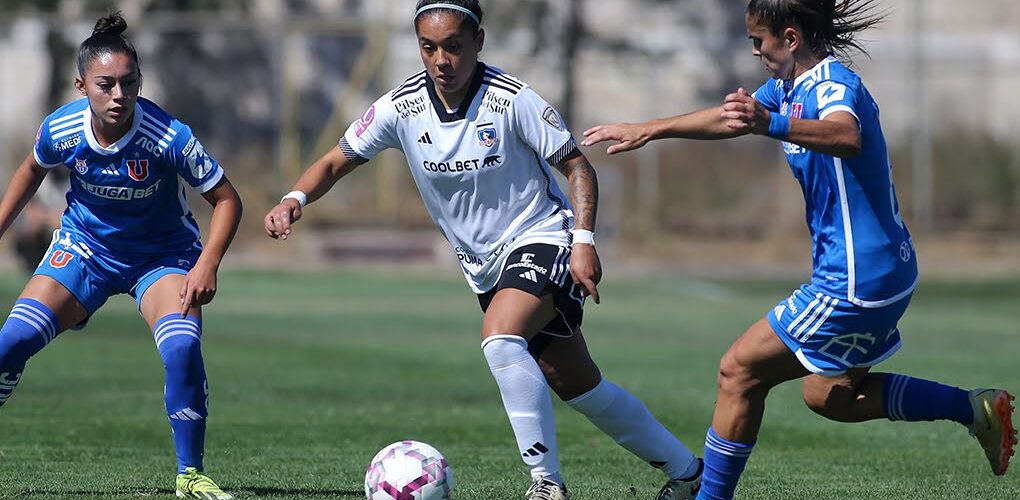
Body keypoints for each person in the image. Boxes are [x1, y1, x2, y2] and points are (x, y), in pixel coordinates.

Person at [265, 1, 704, 499]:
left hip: (543, 236)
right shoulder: (398, 108)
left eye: (454, 46)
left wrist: (583, 241)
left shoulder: (512, 100)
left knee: (499, 336)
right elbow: (334, 161)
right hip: (485, 267)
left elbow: (578, 167)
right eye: (429, 48)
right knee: (578, 384)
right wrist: (293, 199)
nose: (441, 60)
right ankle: (691, 474)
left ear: (478, 42)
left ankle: (546, 484)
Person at [582, 1, 1016, 498]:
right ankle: (974, 408)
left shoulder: (833, 85)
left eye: (757, 41)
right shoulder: (789, 88)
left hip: (855, 280)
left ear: (790, 38)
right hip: (885, 274)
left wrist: (770, 123)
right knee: (830, 396)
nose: (753, 51)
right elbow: (731, 120)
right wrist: (649, 129)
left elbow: (845, 134)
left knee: (738, 371)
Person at [0, 13, 241, 500]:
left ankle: (190, 476)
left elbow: (227, 199)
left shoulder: (168, 135)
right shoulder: (61, 128)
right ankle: (77, 303)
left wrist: (207, 262)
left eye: (128, 83)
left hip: (163, 258)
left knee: (181, 347)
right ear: (81, 84)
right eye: (105, 84)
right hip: (85, 251)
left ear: (139, 82)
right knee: (9, 344)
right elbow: (31, 168)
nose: (118, 95)